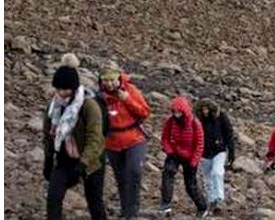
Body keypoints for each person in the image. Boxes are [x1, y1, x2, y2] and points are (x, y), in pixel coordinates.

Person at [44, 54, 107, 220]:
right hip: (65, 159)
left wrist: (82, 165)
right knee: (53, 197)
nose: (60, 93)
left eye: (64, 89)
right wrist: (48, 158)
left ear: (73, 88)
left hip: (92, 162)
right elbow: (48, 134)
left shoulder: (89, 106)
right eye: (57, 89)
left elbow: (95, 139)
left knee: (95, 202)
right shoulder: (54, 106)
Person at [99, 65, 150, 220]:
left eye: (112, 80)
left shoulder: (130, 90)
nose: (109, 84)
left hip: (134, 139)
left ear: (118, 78)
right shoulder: (99, 96)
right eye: (105, 80)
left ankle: (132, 213)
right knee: (121, 178)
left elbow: (144, 111)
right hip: (112, 142)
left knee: (134, 172)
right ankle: (125, 209)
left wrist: (127, 99)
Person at [160, 96, 208, 217]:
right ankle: (166, 204)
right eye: (174, 111)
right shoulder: (171, 121)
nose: (176, 114)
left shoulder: (195, 123)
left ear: (184, 110)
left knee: (190, 185)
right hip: (175, 153)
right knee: (168, 173)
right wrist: (169, 151)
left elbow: (200, 144)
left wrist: (194, 161)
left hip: (190, 157)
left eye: (178, 111)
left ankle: (202, 207)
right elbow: (165, 138)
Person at [196, 100, 235, 213]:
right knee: (207, 178)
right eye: (202, 109)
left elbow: (228, 133)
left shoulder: (221, 117)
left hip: (219, 151)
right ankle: (211, 200)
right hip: (204, 153)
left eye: (206, 109)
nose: (204, 111)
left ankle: (219, 198)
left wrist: (231, 151)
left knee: (217, 172)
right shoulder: (198, 120)